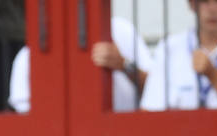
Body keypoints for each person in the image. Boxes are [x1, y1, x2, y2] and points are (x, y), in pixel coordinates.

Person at [9, 16, 153, 113]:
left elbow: (156, 91)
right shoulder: (31, 54)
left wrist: (124, 65)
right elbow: (26, 119)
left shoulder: (122, 30)